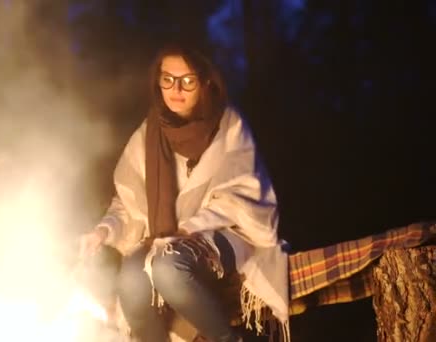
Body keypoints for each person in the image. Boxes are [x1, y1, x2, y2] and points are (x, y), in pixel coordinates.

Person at [80, 43, 289, 342]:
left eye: (187, 80)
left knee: (169, 267)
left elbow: (241, 197)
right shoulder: (149, 134)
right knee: (130, 282)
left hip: (228, 231)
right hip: (164, 239)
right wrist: (102, 232)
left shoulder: (228, 126)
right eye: (168, 79)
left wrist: (187, 228)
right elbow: (127, 205)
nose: (176, 89)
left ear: (204, 82)